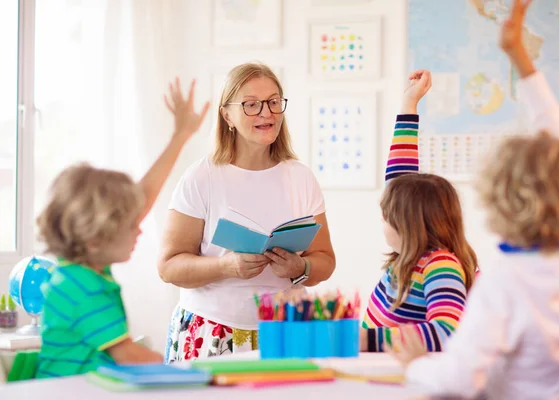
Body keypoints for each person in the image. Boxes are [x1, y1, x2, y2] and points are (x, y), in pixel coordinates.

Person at [391, 1, 559, 398]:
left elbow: (457, 379)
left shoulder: (506, 282)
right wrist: (519, 57)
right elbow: (557, 134)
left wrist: (416, 366)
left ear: (498, 202)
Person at [159, 63, 336, 361]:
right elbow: (168, 267)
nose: (266, 113)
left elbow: (325, 262)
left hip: (285, 333)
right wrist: (225, 267)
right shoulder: (201, 177)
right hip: (211, 333)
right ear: (227, 114)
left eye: (273, 102)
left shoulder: (301, 177)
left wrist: (299, 269)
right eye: (251, 104)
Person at [35, 79, 210, 378]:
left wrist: (180, 135)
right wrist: (192, 373)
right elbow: (128, 355)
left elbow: (143, 195)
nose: (139, 229)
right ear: (94, 238)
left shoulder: (79, 271)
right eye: (131, 226)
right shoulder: (83, 287)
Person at [360, 71, 477, 352]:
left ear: (408, 223)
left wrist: (370, 341)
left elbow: (449, 332)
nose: (382, 219)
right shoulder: (410, 257)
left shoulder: (440, 265)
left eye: (387, 215)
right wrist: (408, 105)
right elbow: (398, 182)